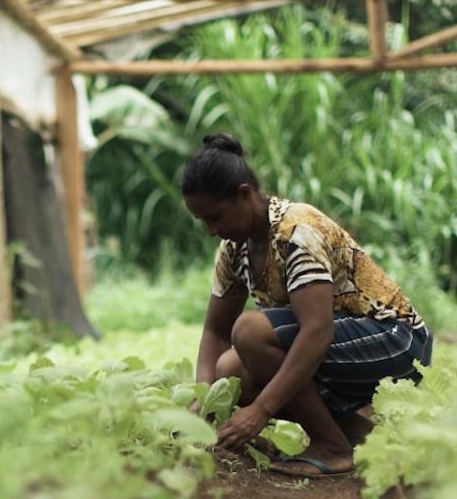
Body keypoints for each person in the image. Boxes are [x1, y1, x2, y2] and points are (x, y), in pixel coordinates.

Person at [183, 133, 432, 478]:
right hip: (345, 349)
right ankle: (354, 435)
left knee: (250, 331)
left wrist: (260, 410)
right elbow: (215, 331)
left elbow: (317, 331)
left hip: (398, 343)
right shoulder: (234, 250)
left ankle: (332, 447)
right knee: (229, 371)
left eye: (216, 217)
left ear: (244, 194)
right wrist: (203, 398)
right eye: (204, 222)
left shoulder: (296, 231)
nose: (211, 230)